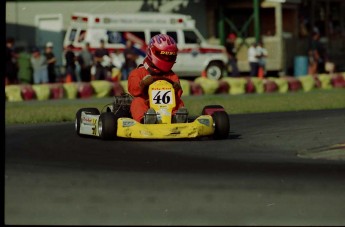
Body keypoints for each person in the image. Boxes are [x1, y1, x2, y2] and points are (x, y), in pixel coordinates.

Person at [128, 34, 187, 124]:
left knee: (178, 102)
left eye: (170, 56)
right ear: (152, 52)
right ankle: (145, 119)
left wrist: (176, 88)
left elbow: (178, 94)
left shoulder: (171, 75)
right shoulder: (138, 72)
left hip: (168, 108)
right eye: (163, 55)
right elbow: (133, 90)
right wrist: (143, 83)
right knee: (137, 102)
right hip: (147, 105)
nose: (167, 59)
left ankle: (177, 118)